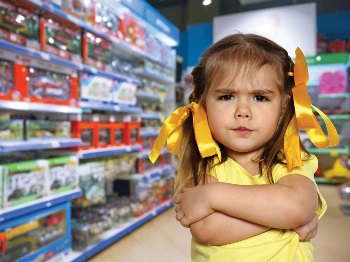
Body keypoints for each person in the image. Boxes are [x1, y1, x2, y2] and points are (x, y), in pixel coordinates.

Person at [149, 33, 339, 261]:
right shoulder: (206, 165)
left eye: (260, 97)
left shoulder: (287, 159)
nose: (243, 111)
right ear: (203, 105)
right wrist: (287, 220)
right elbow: (207, 227)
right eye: (227, 96)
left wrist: (212, 195)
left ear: (283, 106)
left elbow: (298, 205)